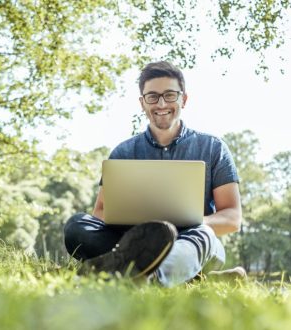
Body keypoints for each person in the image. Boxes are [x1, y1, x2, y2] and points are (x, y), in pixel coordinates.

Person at [63, 61, 243, 287]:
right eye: (152, 96)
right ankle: (184, 278)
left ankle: (146, 277)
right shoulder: (123, 152)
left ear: (183, 99)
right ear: (142, 103)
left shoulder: (213, 148)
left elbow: (232, 217)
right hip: (133, 241)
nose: (161, 103)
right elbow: (100, 211)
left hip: (193, 242)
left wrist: (192, 224)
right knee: (77, 225)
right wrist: (134, 229)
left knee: (203, 234)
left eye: (169, 95)